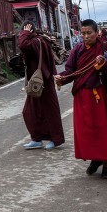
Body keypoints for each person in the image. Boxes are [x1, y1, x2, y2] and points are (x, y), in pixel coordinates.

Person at [55, 20, 107, 179]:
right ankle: (95, 158)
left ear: (97, 32)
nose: (86, 36)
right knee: (88, 130)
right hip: (83, 95)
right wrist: (61, 79)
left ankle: (106, 164)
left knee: (104, 129)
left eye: (89, 33)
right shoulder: (77, 50)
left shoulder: (106, 48)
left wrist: (104, 63)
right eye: (83, 33)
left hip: (101, 92)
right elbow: (70, 71)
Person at [18, 22, 65, 150]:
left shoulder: (39, 41)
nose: (22, 34)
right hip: (35, 83)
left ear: (29, 30)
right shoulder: (35, 40)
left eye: (24, 31)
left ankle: (55, 139)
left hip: (44, 81)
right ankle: (36, 138)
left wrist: (25, 33)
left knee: (50, 111)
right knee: (30, 111)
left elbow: (23, 45)